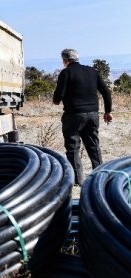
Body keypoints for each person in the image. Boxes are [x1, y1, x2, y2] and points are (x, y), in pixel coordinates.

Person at [52, 48, 112, 185]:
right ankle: (100, 175)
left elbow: (58, 96)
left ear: (65, 60)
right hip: (93, 114)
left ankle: (78, 180)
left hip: (73, 115)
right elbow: (106, 92)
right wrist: (108, 111)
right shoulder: (93, 71)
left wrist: (56, 101)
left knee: (73, 148)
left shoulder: (66, 72)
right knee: (94, 145)